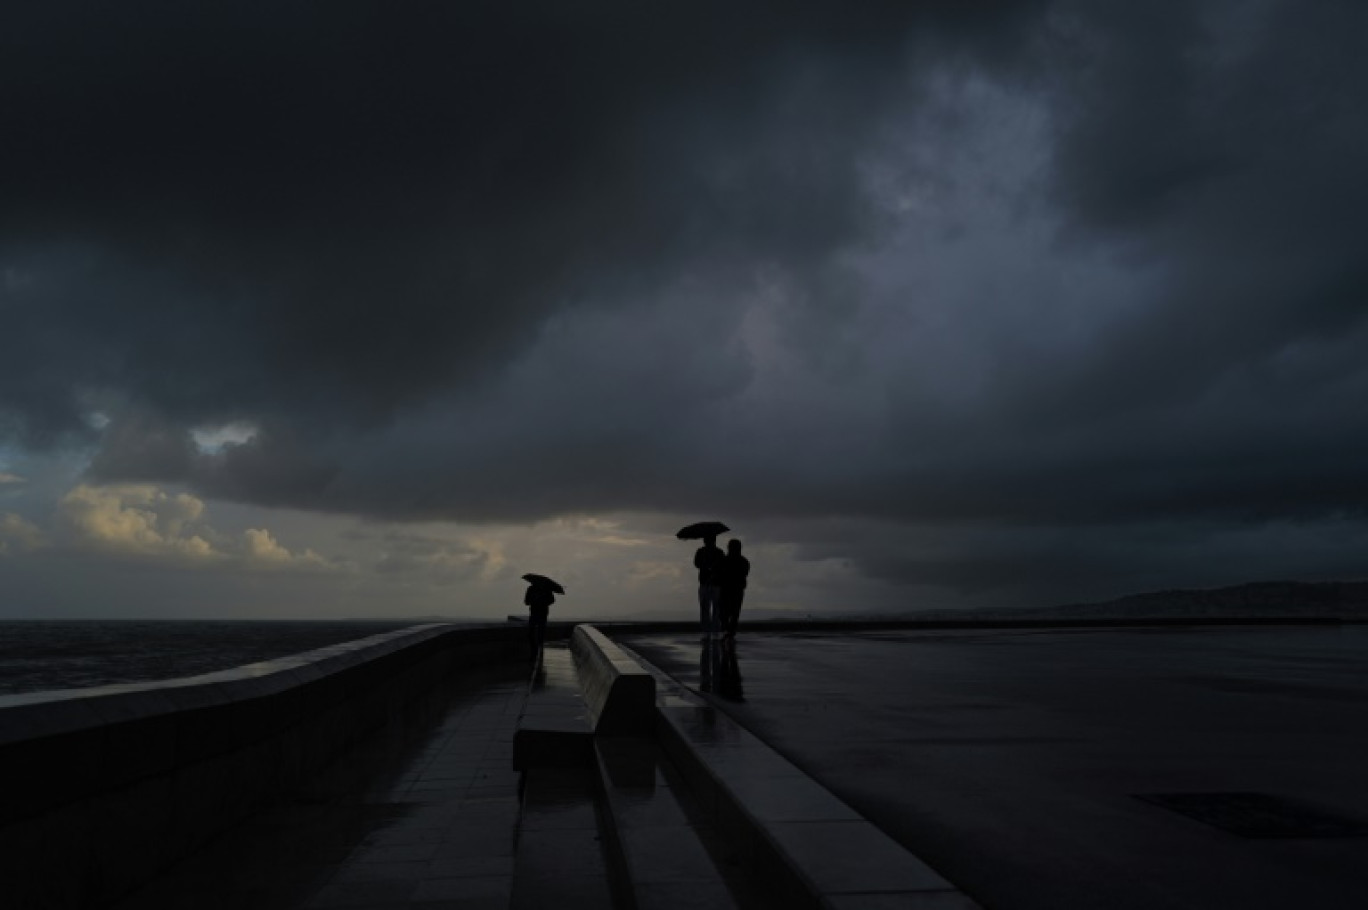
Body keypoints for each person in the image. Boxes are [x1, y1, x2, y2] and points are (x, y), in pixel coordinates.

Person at [718, 538, 750, 640]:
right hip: (737, 589)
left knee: (724, 611)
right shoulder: (744, 561)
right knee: (735, 612)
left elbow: (718, 573)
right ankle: (731, 631)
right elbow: (745, 573)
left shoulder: (723, 560)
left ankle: (727, 629)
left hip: (726, 589)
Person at [694, 534, 725, 636]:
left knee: (706, 608)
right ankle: (714, 629)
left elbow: (696, 564)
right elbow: (697, 563)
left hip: (707, 583)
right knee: (715, 608)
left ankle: (706, 629)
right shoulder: (719, 552)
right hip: (714, 584)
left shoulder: (701, 551)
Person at [524, 583, 555, 661]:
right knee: (532, 633)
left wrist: (543, 601)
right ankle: (535, 651)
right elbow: (526, 602)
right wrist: (534, 599)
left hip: (541, 613)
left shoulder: (546, 589)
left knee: (539, 633)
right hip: (536, 613)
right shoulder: (531, 589)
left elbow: (551, 600)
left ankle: (538, 651)